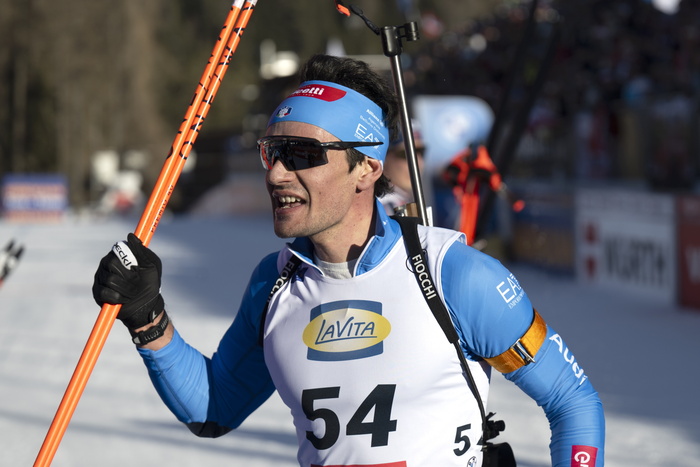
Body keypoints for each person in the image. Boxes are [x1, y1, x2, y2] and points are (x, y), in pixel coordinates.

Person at [93, 54, 605, 467]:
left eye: (302, 154)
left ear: (367, 167)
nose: (276, 174)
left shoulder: (453, 274)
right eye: (272, 152)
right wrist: (147, 317)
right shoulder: (273, 284)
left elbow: (572, 401)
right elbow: (214, 407)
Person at [379, 120, 426, 216]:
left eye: (421, 152)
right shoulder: (382, 207)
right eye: (406, 154)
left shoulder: (406, 200)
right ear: (385, 157)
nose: (417, 162)